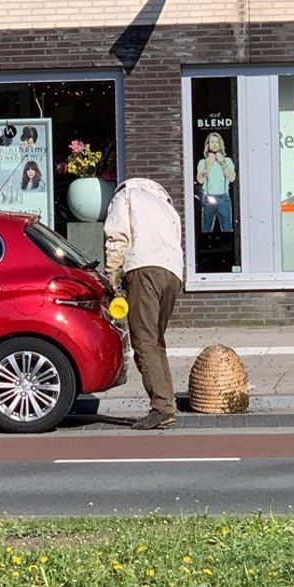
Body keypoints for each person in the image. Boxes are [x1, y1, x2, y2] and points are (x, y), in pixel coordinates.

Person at [103, 178, 184, 430]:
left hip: (143, 269)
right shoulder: (165, 204)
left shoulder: (125, 197)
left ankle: (161, 408)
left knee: (144, 341)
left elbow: (117, 236)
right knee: (157, 341)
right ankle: (167, 403)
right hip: (173, 274)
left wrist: (112, 276)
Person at [196, 132, 236, 233]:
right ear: (208, 144)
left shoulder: (228, 161)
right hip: (208, 198)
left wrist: (222, 162)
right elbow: (200, 180)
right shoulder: (202, 162)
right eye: (212, 142)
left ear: (220, 145)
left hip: (224, 198)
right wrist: (208, 164)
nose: (214, 144)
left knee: (227, 230)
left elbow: (232, 178)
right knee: (206, 230)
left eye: (217, 142)